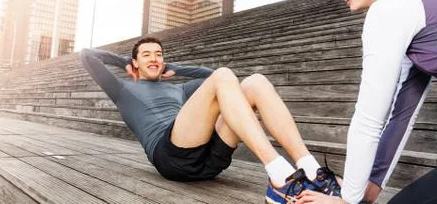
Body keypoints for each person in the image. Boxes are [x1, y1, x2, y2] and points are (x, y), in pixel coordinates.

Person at [80, 37, 341, 203]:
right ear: (134, 62)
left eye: (158, 54)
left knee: (254, 82)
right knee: (224, 76)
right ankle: (280, 178)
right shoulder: (122, 90)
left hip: (210, 160)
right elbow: (88, 55)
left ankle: (311, 170)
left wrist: (176, 69)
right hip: (171, 157)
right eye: (146, 54)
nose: (154, 58)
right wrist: (127, 60)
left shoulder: (179, 89)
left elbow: (215, 75)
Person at [297, 0, 437, 204]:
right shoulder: (413, 5)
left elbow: (369, 120)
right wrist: (370, 186)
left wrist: (348, 200)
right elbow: (402, 113)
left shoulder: (390, 8)